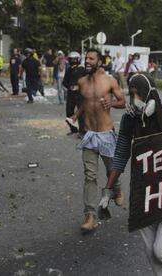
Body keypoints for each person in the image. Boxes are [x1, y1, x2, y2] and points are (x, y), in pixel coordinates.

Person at [99, 73, 162, 276]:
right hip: (143, 192)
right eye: (131, 94)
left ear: (150, 94)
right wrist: (108, 189)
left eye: (138, 94)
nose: (134, 99)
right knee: (150, 251)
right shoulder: (130, 120)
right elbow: (121, 154)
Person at [71, 48, 125, 232]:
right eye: (86, 57)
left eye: (91, 59)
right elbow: (87, 101)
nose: (87, 61)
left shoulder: (110, 81)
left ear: (100, 62)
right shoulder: (81, 81)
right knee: (90, 175)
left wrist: (113, 103)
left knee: (112, 170)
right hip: (89, 134)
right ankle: (90, 216)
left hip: (106, 134)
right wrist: (75, 115)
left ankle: (116, 188)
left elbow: (123, 101)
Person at [63, 51, 86, 135]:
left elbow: (87, 81)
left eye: (74, 59)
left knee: (81, 113)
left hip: (80, 94)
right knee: (69, 112)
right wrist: (70, 87)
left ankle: (82, 131)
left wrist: (79, 87)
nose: (72, 61)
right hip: (71, 94)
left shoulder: (83, 69)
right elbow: (65, 82)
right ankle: (73, 129)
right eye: (71, 59)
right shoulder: (69, 69)